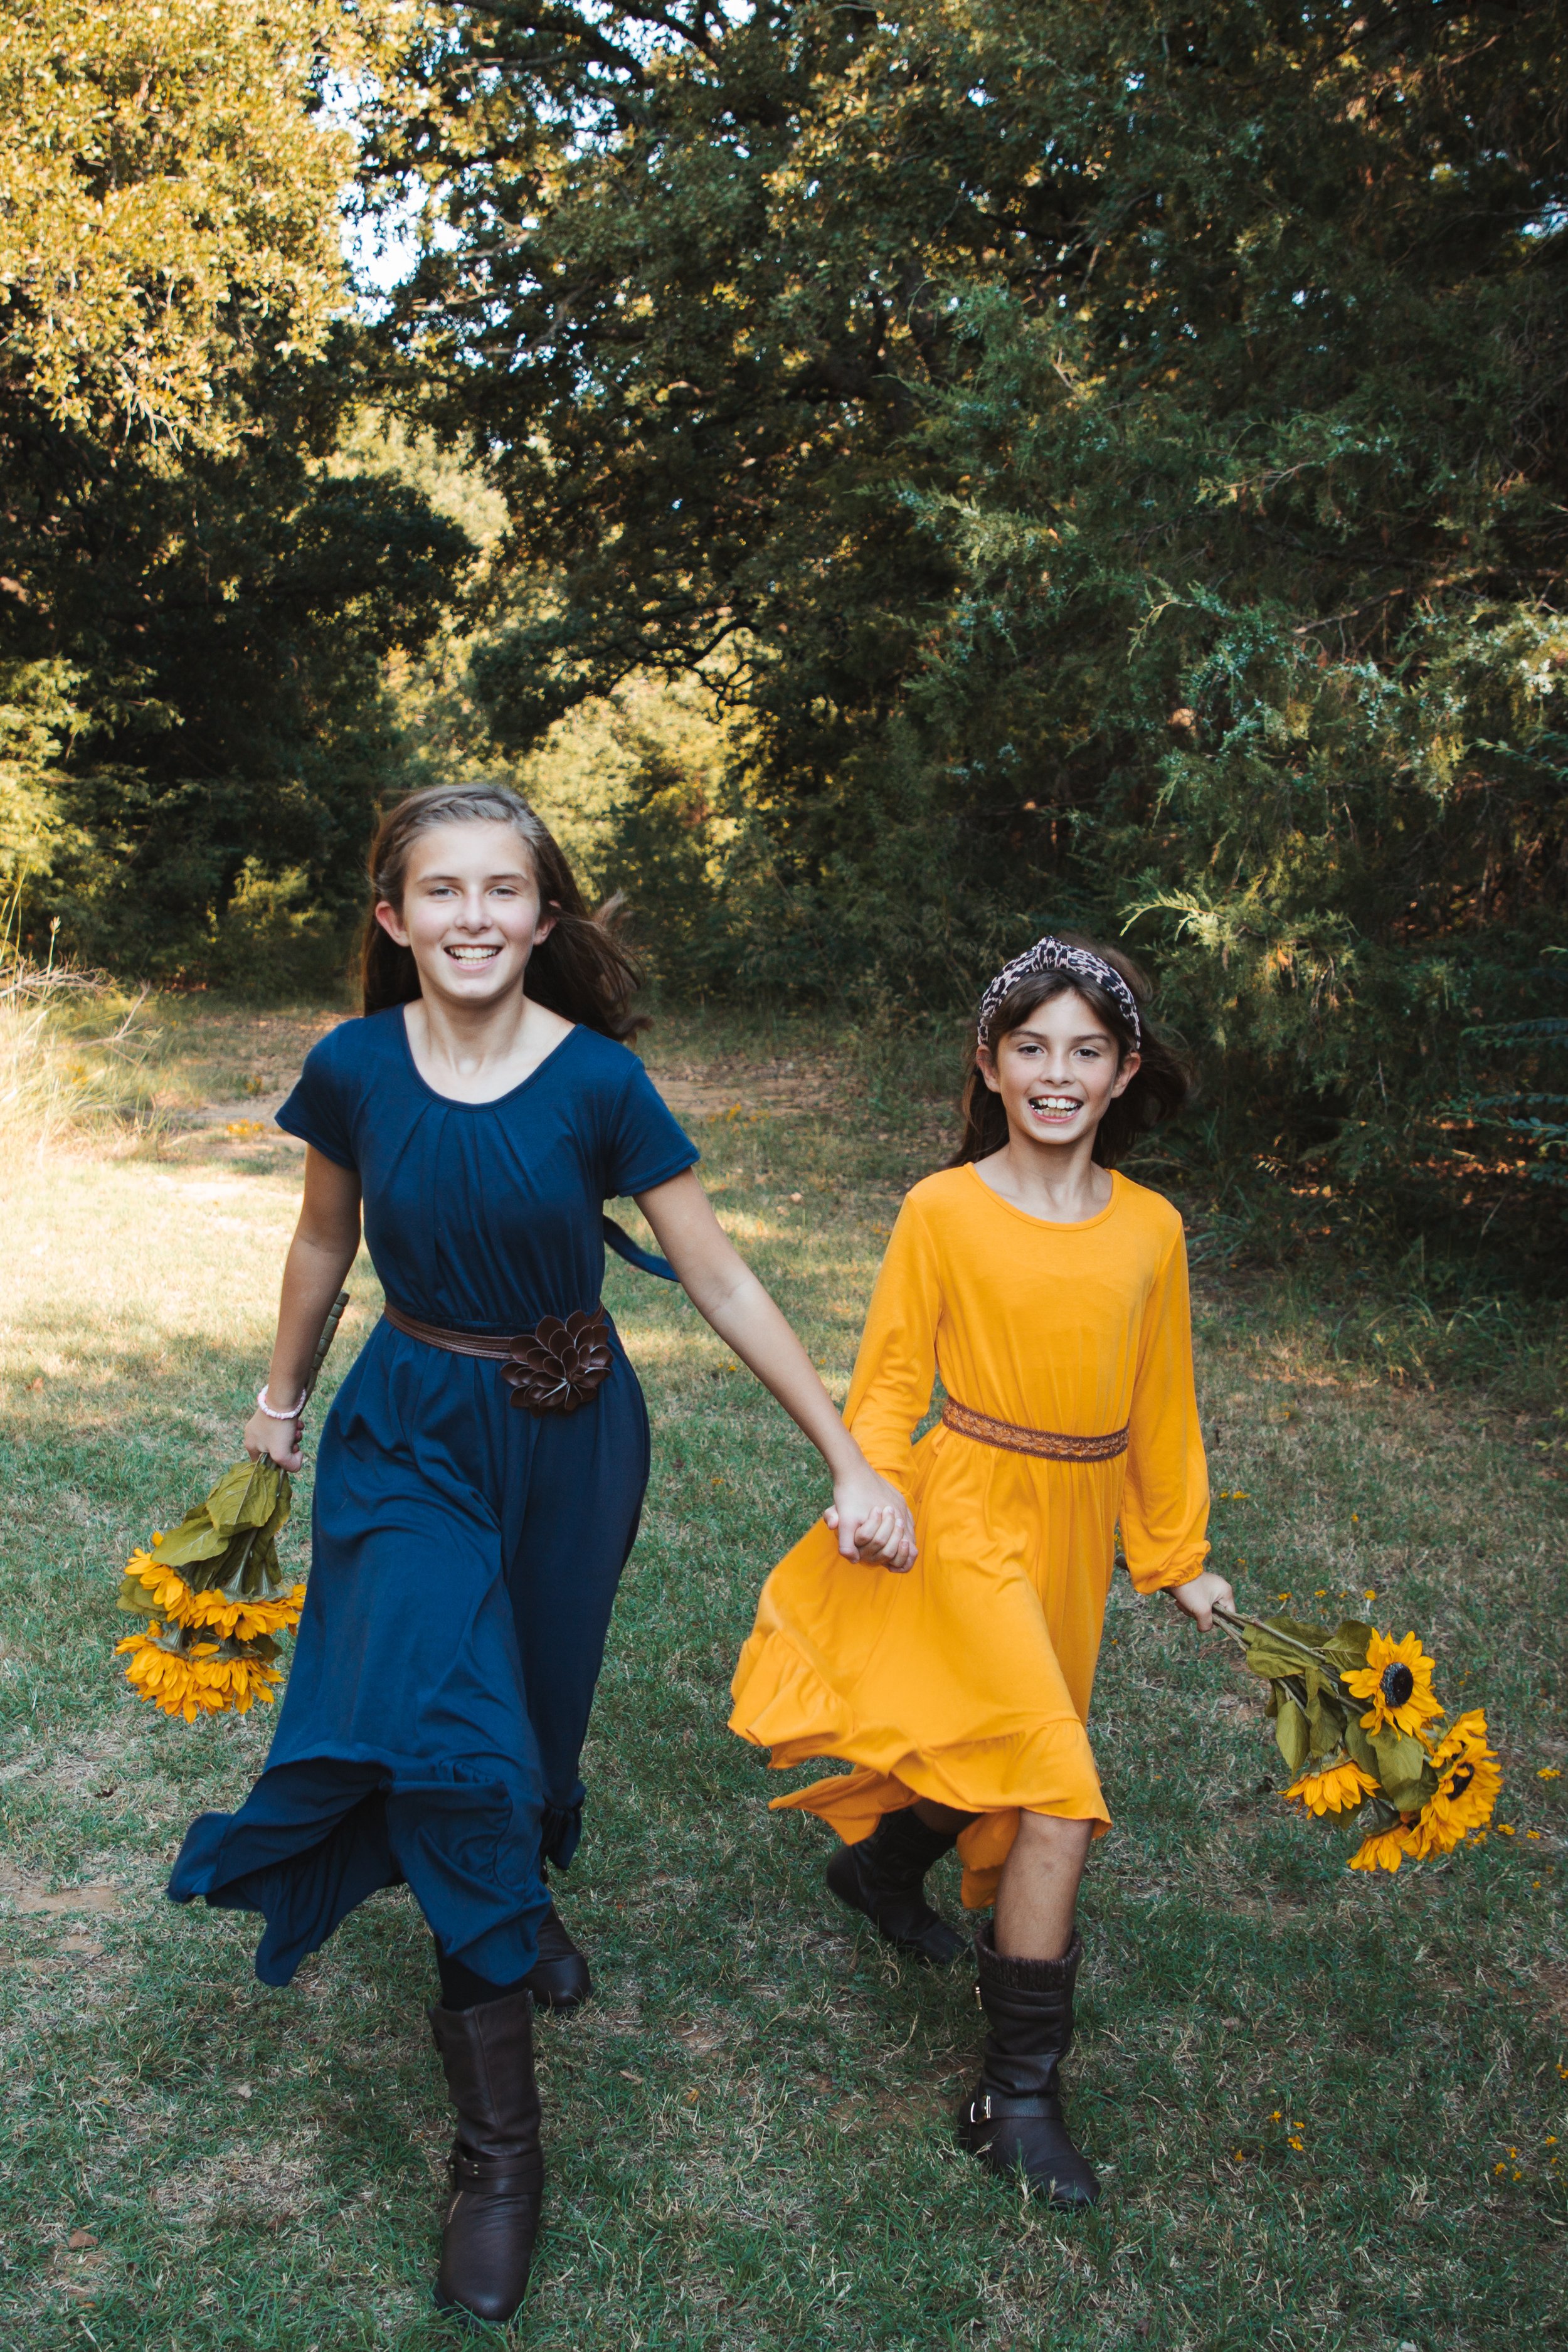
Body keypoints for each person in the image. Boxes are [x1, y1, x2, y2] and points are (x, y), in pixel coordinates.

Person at [168, 782, 914, 2323]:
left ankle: (518, 1890)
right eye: (439, 893)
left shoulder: (602, 1084)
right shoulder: (355, 1068)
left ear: (546, 913)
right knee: (456, 1739)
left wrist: (845, 1456)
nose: (472, 919)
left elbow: (713, 1274)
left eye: (503, 891)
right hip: (405, 1436)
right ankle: (499, 2158)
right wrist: (279, 1401)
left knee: (534, 1709)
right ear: (392, 918)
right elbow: (323, 1237)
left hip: (570, 1438)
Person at [729, 933, 1232, 2206]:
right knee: (1057, 1787)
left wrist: (1174, 1554)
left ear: (1122, 1075)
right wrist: (869, 1479)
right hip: (960, 1512)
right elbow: (894, 1371)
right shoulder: (941, 1208)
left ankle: (881, 1865)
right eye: (1030, 1049)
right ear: (989, 1064)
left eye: (1085, 1052)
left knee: (999, 1747)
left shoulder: (1150, 1230)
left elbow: (1160, 1405)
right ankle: (1013, 2099)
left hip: (1068, 1526)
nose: (1055, 1074)